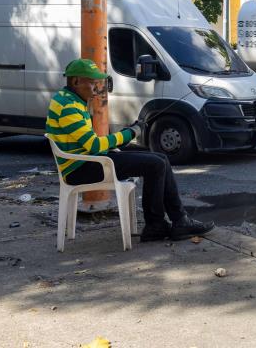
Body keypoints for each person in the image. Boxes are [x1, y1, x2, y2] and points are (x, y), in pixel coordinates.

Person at [46, 59, 214, 242]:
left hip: (89, 161)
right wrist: (130, 133)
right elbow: (93, 145)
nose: (96, 87)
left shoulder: (69, 99)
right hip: (81, 168)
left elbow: (91, 145)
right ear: (76, 81)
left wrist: (129, 132)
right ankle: (157, 225)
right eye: (92, 82)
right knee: (156, 164)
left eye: (97, 82)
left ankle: (176, 221)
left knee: (161, 159)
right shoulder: (69, 106)